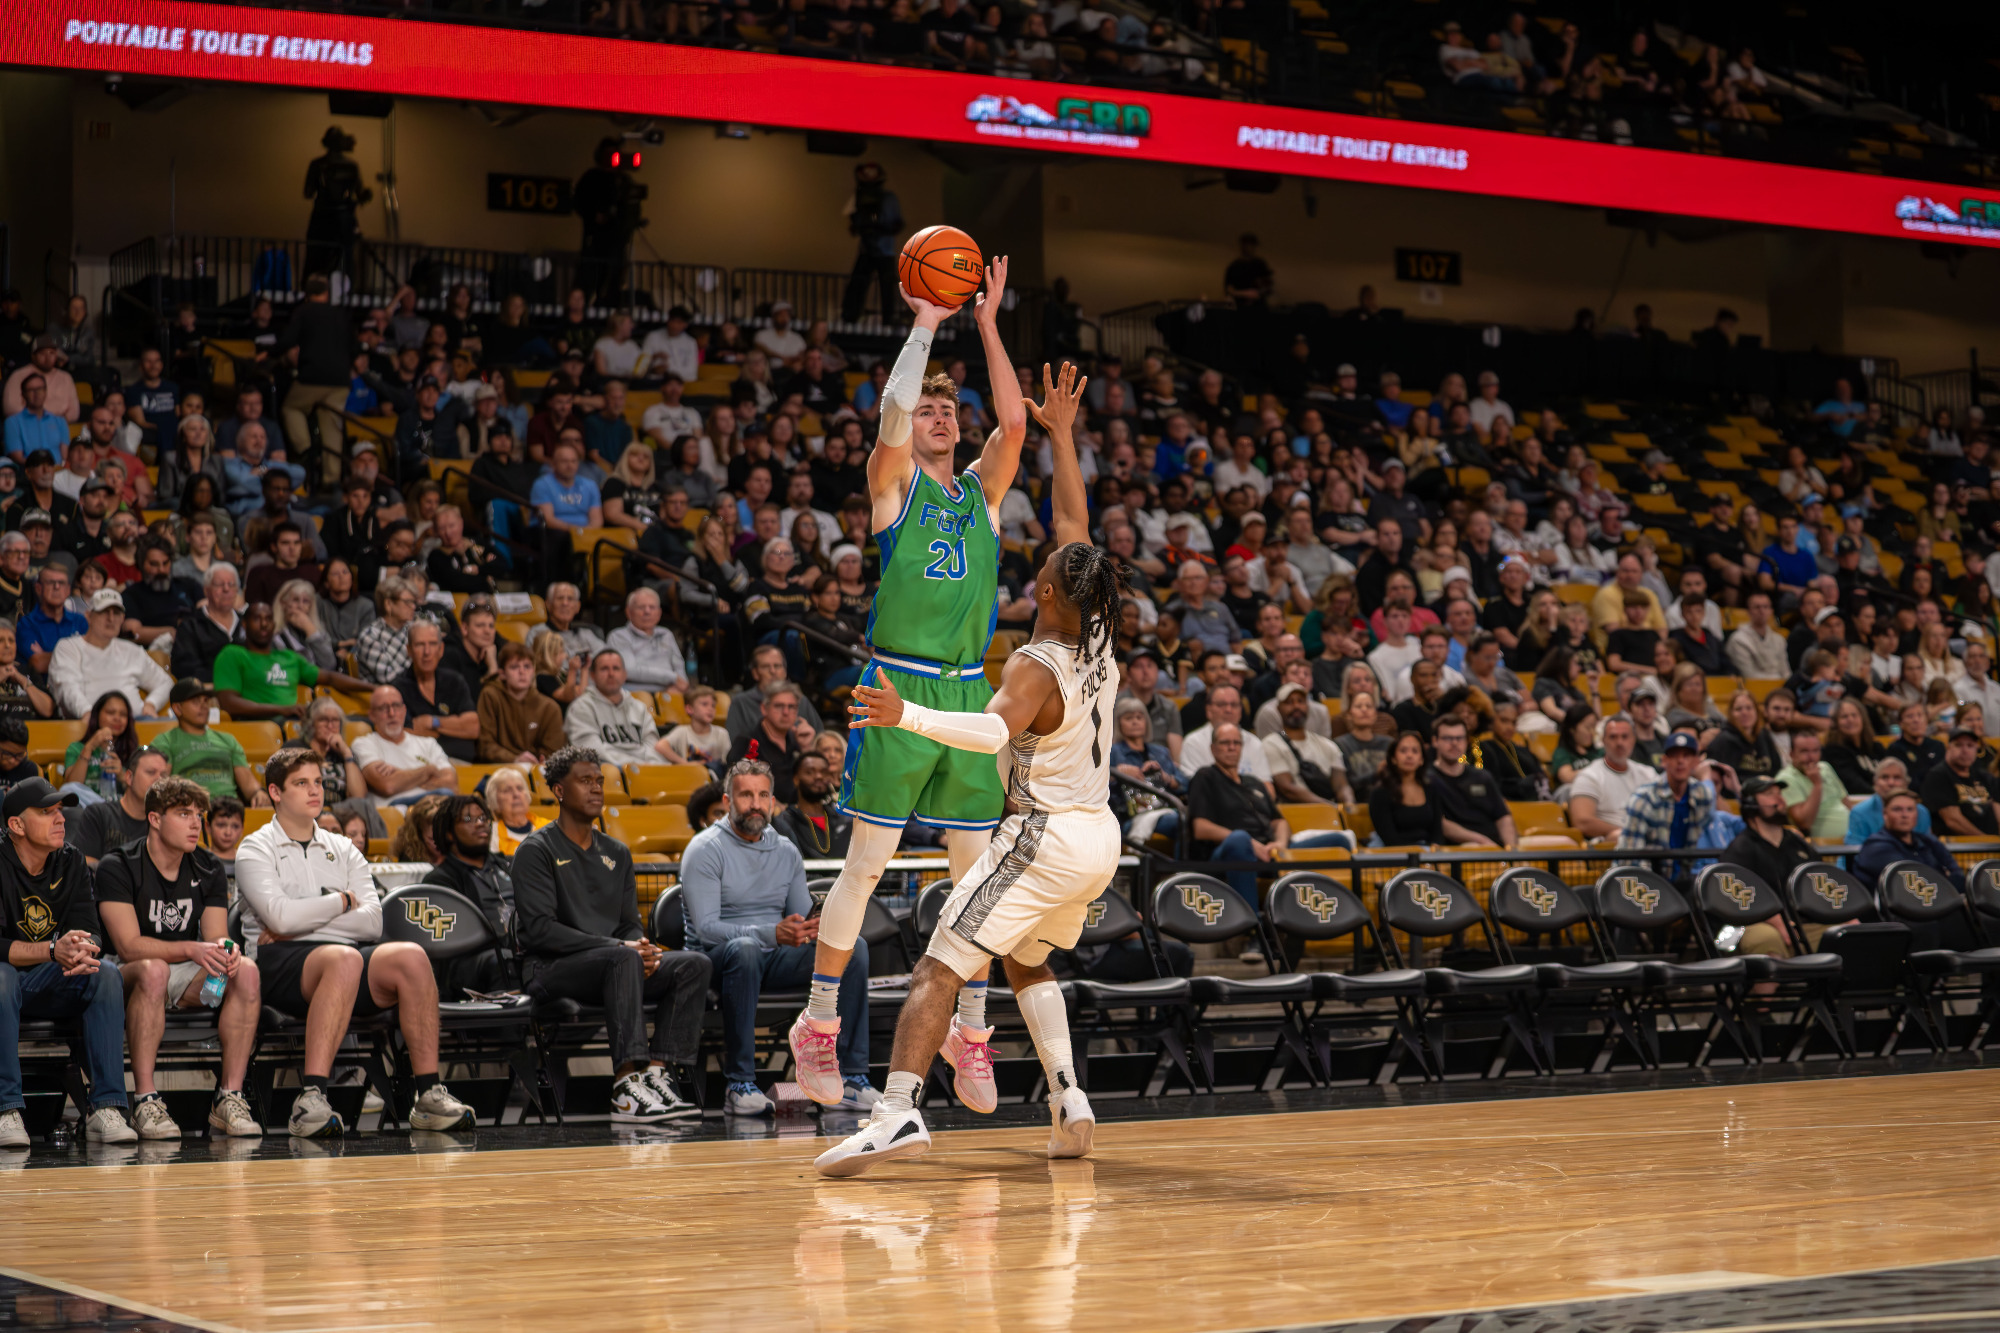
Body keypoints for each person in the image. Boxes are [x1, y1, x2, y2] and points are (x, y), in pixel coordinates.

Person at [820, 381, 1121, 1170]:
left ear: (1048, 592)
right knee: (1025, 956)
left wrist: (906, 717)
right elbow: (1074, 528)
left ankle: (895, 1110)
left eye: (1044, 571)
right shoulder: (1098, 642)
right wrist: (1060, 437)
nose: (1039, 566)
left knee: (938, 963)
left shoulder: (1033, 662)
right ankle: (1070, 1095)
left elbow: (990, 730)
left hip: (1044, 834)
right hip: (1101, 839)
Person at [800, 258, 1029, 1108]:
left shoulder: (983, 493)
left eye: (947, 409)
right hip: (895, 683)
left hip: (970, 690)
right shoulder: (892, 489)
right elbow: (891, 416)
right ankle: (818, 1024)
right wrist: (928, 321)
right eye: (928, 408)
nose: (938, 416)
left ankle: (971, 1033)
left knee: (975, 877)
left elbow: (1014, 418)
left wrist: (991, 323)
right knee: (866, 865)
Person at [237, 748, 476, 1137]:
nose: (315, 791)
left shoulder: (343, 847)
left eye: (318, 782)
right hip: (277, 961)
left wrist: (302, 919)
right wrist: (341, 901)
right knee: (343, 959)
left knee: (411, 956)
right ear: (276, 792)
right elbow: (278, 918)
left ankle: (428, 1094)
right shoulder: (255, 847)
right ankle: (311, 1098)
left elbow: (373, 922)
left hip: (334, 954)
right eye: (302, 783)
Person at [513, 746, 708, 1122]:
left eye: (599, 781)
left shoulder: (617, 852)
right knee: (622, 957)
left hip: (617, 964)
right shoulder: (536, 850)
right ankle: (625, 1085)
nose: (596, 788)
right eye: (584, 781)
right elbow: (540, 931)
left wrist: (643, 947)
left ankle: (656, 1075)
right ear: (558, 790)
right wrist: (623, 947)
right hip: (551, 969)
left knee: (693, 964)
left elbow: (628, 923)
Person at [95, 775, 263, 1140]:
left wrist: (227, 953)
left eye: (199, 815)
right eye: (183, 813)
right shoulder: (118, 865)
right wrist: (191, 948)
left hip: (184, 969)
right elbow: (128, 946)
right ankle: (144, 1099)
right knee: (154, 970)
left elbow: (217, 935)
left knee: (246, 971)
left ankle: (229, 1097)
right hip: (122, 973)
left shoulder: (208, 866)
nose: (195, 823)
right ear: (154, 819)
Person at [0, 778, 137, 1148]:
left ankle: (106, 1107)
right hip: (8, 982)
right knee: (1, 977)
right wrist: (51, 949)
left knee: (104, 973)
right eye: (47, 812)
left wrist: (81, 948)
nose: (60, 818)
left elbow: (92, 933)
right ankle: (6, 1110)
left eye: (61, 810)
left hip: (49, 979)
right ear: (16, 825)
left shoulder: (71, 859)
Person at [417, 794, 518, 1000]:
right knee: (504, 961)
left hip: (520, 947)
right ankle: (506, 1032)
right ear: (449, 833)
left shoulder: (511, 865)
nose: (480, 824)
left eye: (483, 818)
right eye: (468, 819)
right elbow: (451, 944)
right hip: (471, 962)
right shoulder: (440, 880)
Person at [213, 601, 368, 723]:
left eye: (268, 619)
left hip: (295, 720)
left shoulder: (288, 657)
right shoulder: (232, 654)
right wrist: (281, 710)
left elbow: (329, 677)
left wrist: (374, 688)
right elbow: (229, 703)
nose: (264, 624)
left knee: (359, 722)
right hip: (261, 724)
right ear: (244, 625)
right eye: (257, 619)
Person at [150, 678, 265, 806]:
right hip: (189, 808)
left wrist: (258, 793)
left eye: (206, 700)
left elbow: (249, 785)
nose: (204, 706)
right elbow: (161, 783)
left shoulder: (228, 740)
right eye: (195, 701)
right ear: (178, 708)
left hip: (228, 810)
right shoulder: (165, 741)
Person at [1615, 733, 1717, 875]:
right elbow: (1629, 857)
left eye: (1686, 755)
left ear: (1696, 762)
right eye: (1674, 756)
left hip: (1684, 878)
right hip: (1645, 879)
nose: (1680, 761)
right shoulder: (1644, 798)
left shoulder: (1703, 796)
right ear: (1664, 761)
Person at [565, 649, 679, 769]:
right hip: (606, 774)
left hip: (643, 770)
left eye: (616, 668)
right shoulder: (581, 708)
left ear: (625, 675)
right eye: (604, 669)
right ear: (593, 675)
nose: (611, 674)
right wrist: (632, 765)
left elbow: (652, 747)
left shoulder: (639, 708)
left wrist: (651, 767)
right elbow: (591, 750)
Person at [353, 687, 457, 808]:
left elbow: (450, 783)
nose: (391, 713)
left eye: (396, 706)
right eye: (383, 708)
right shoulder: (364, 744)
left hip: (433, 806)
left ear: (404, 710)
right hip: (395, 809)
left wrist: (400, 775)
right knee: (444, 795)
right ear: (372, 715)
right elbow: (387, 785)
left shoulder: (428, 743)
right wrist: (428, 770)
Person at [393, 621, 479, 765]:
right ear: (409, 650)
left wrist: (432, 722)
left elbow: (473, 727)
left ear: (441, 649)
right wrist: (454, 725)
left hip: (464, 764)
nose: (427, 652)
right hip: (420, 765)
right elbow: (403, 734)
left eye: (432, 644)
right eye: (420, 645)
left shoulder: (455, 681)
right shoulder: (398, 688)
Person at [1854, 790, 1968, 896]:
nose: (1904, 815)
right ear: (1885, 814)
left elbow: (1956, 873)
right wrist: (1943, 876)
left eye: (1910, 809)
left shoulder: (1928, 841)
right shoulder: (1875, 846)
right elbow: (1908, 882)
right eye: (1897, 809)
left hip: (1939, 902)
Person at [69, 747, 170, 866]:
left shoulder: (164, 823)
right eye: (150, 772)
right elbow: (82, 861)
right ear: (129, 777)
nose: (158, 780)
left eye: (163, 775)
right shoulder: (98, 814)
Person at [1429, 714, 1517, 848]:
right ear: (1435, 741)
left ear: (1466, 741)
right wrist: (1481, 841)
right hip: (1462, 848)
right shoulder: (1427, 778)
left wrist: (1512, 850)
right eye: (1448, 738)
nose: (1454, 743)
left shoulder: (1482, 776)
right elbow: (1441, 823)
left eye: (1459, 738)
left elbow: (1503, 817)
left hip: (1494, 844)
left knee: (1557, 844)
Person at [1568, 716, 1658, 841]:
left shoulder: (1648, 774)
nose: (1619, 743)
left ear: (1633, 740)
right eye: (1613, 737)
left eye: (1625, 737)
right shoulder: (1589, 776)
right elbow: (1582, 822)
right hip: (1608, 844)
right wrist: (1628, 832)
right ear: (1603, 741)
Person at [605, 587, 686, 696]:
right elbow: (628, 671)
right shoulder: (619, 636)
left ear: (659, 613)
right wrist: (672, 677)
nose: (647, 611)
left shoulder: (666, 634)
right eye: (641, 607)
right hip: (635, 695)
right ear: (629, 612)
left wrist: (680, 684)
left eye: (652, 607)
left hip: (669, 693)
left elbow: (679, 667)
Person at [772, 751, 852, 860]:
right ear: (796, 779)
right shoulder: (784, 822)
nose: (819, 776)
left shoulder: (844, 820)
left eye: (824, 772)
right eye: (809, 772)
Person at [1921, 727, 2000, 837]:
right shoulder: (1938, 776)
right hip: (1956, 846)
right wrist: (1985, 841)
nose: (1965, 750)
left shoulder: (1985, 777)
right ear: (1949, 748)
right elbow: (1953, 821)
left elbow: (1998, 808)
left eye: (1970, 746)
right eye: (1958, 745)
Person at [1776, 729, 1850, 844]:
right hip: (1822, 846)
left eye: (1815, 751)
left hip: (1851, 838)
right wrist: (1817, 785)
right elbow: (1805, 823)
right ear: (1791, 754)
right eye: (1804, 751)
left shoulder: (1825, 767)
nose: (1811, 758)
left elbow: (1845, 802)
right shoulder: (1786, 778)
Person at [1845, 756, 1931, 845]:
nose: (1891, 783)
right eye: (1885, 777)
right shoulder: (1860, 812)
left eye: (1897, 777)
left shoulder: (1921, 812)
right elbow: (1855, 851)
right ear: (1875, 783)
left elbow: (1927, 847)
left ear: (1906, 783)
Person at [662, 684, 730, 767]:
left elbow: (728, 763)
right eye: (704, 704)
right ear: (690, 709)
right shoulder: (682, 731)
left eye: (713, 706)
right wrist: (685, 764)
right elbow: (661, 746)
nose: (710, 709)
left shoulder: (722, 733)